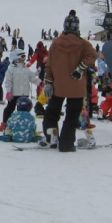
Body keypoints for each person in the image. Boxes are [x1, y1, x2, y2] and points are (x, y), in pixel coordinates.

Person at [41, 10, 97, 152]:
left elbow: (49, 64)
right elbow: (92, 56)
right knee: (72, 115)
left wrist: (48, 82)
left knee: (52, 113)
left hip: (58, 85)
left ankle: (51, 138)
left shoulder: (55, 43)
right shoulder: (83, 44)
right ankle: (66, 143)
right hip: (76, 87)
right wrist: (80, 68)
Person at [0, 50, 40, 128]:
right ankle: (5, 124)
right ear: (16, 57)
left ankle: (22, 125)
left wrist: (40, 83)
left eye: (25, 56)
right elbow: (8, 81)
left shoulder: (25, 68)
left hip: (24, 94)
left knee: (23, 111)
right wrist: (9, 91)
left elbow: (32, 78)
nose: (24, 58)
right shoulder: (11, 69)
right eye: (22, 56)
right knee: (10, 108)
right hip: (14, 94)